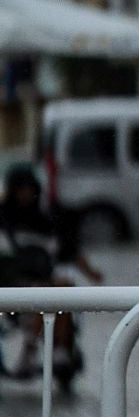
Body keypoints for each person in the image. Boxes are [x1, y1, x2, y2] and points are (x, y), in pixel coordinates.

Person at [0, 163, 102, 384]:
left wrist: (92, 273)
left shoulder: (48, 220)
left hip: (45, 283)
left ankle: (58, 350)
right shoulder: (4, 220)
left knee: (62, 287)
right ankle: (32, 347)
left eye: (28, 188)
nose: (25, 194)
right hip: (13, 287)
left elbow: (71, 251)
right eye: (20, 189)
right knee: (46, 291)